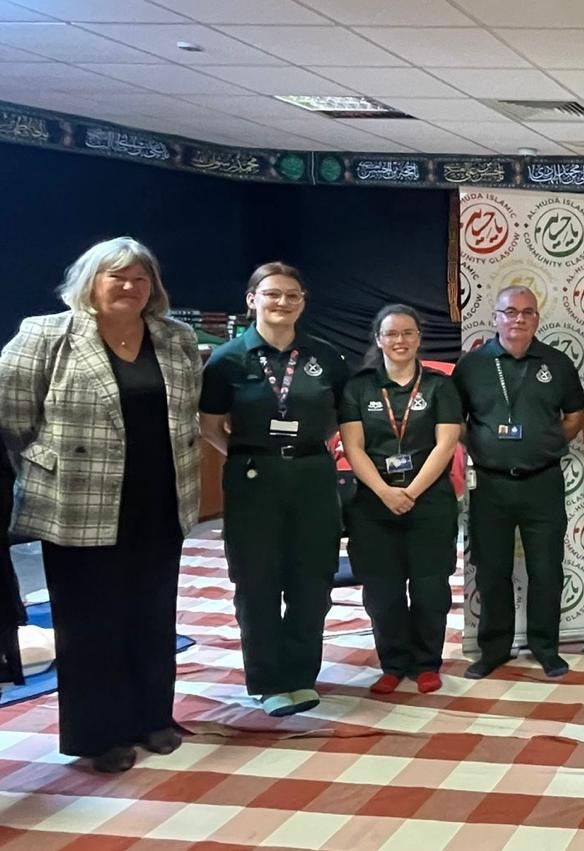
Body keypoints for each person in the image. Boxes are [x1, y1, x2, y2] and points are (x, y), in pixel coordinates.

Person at [0, 237, 201, 772]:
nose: (130, 288)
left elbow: (185, 414)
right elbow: (13, 418)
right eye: (117, 277)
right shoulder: (46, 334)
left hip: (160, 499)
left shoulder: (175, 338)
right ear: (90, 281)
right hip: (79, 503)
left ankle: (152, 718)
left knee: (152, 615)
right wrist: (48, 466)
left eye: (140, 278)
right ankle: (99, 734)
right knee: (91, 623)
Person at [199, 262, 349, 718]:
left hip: (313, 476)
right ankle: (266, 679)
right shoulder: (228, 359)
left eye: (291, 295)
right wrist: (248, 453)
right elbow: (208, 425)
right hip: (254, 480)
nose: (281, 302)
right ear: (252, 300)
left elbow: (345, 416)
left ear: (303, 302)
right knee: (257, 579)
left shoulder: (326, 356)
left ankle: (301, 675)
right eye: (272, 294)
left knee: (312, 578)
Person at [454, 286, 583, 680]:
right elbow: (456, 423)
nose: (519, 319)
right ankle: (494, 649)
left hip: (542, 482)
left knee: (547, 569)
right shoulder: (472, 365)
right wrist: (485, 445)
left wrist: (544, 443)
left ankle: (546, 648)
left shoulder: (556, 363)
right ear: (495, 317)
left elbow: (575, 415)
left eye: (527, 313)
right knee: (492, 570)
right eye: (510, 312)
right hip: (490, 484)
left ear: (536, 320)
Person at [338, 304, 463, 695]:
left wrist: (410, 492)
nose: (400, 341)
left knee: (430, 589)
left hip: (428, 501)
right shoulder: (359, 386)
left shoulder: (440, 386)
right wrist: (385, 492)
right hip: (374, 504)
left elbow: (446, 444)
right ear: (378, 339)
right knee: (383, 591)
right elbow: (353, 447)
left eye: (408, 333)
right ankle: (392, 663)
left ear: (419, 338)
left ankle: (426, 663)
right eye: (391, 334)